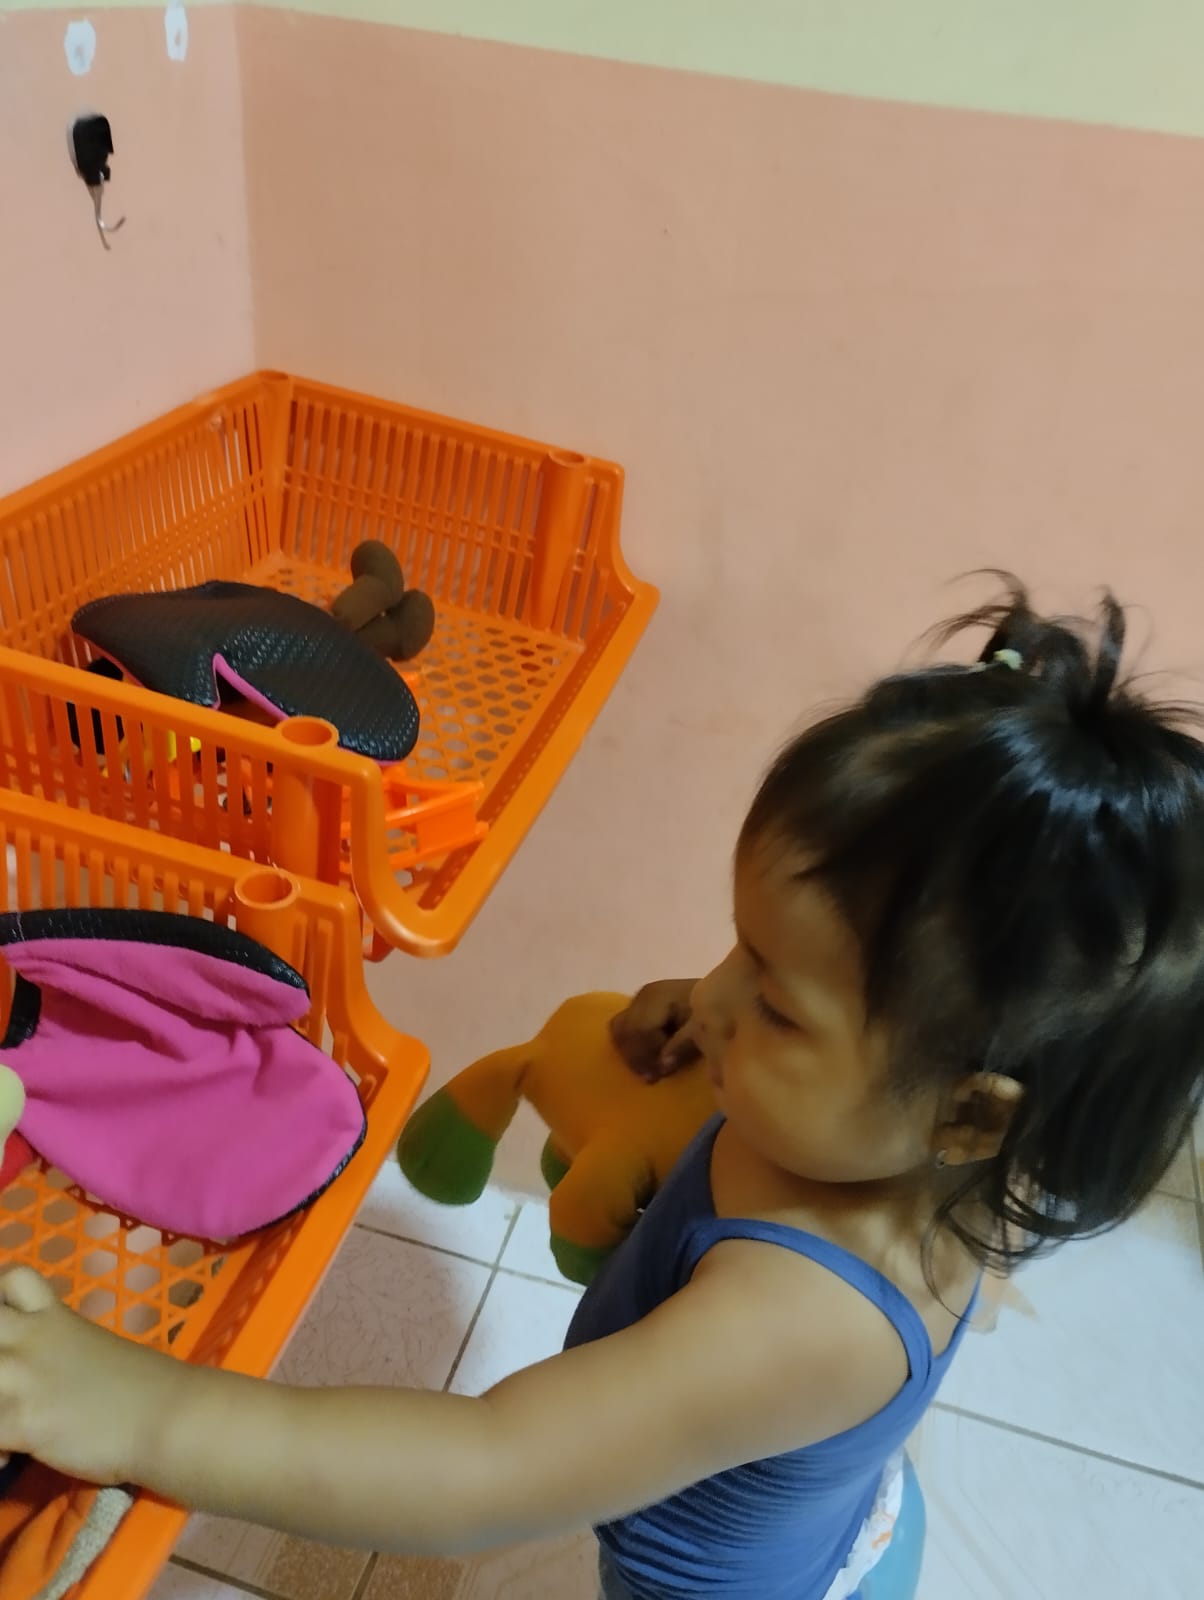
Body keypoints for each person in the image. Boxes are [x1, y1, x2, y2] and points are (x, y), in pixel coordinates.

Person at [1, 579, 1202, 1600]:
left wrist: (145, 1410)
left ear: (967, 1112)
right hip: (826, 1496)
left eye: (777, 1002)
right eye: (738, 949)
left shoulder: (798, 1318)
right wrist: (737, 1008)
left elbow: (482, 1469)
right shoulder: (913, 1135)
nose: (714, 999)